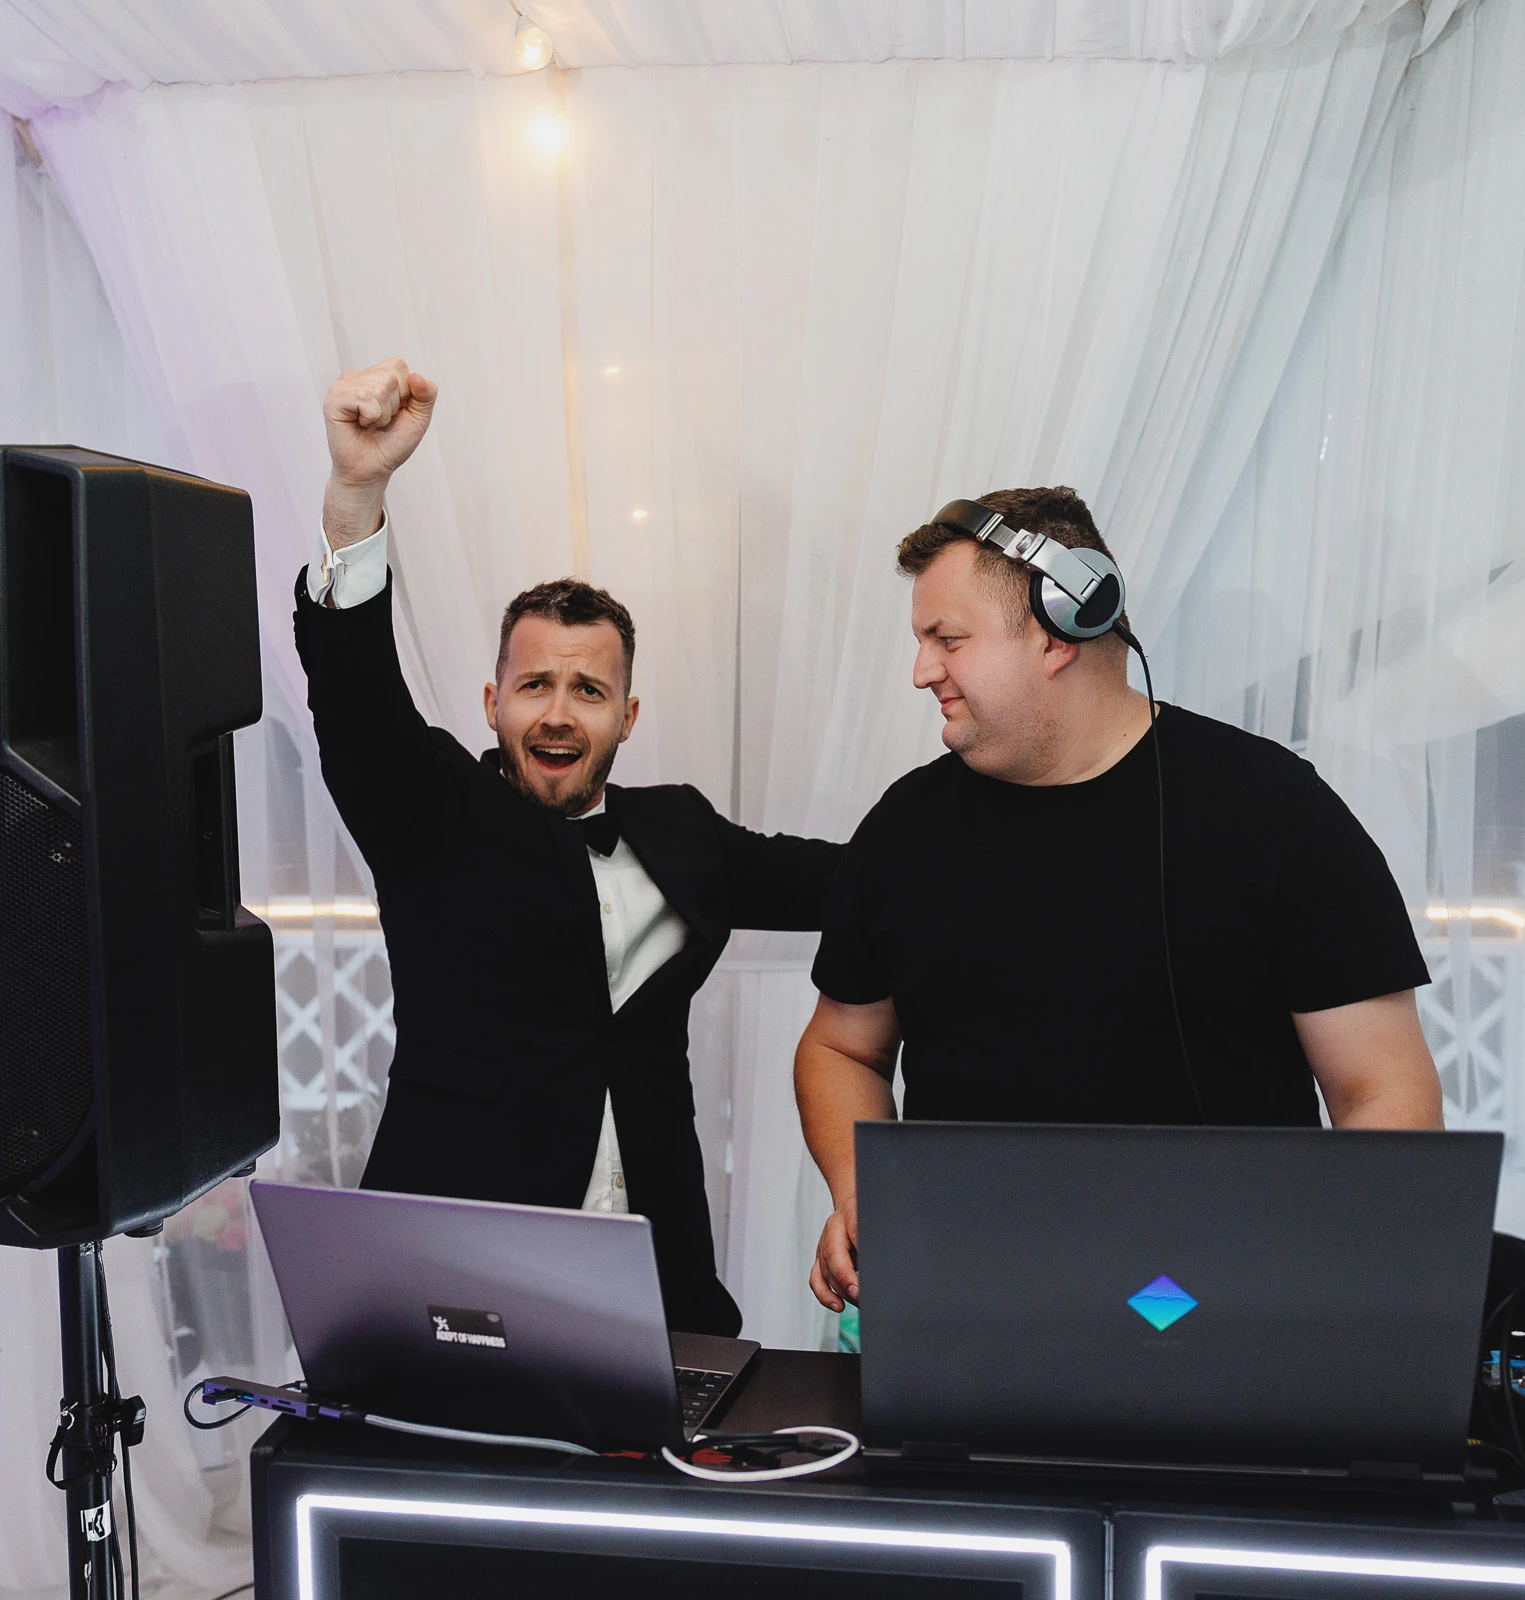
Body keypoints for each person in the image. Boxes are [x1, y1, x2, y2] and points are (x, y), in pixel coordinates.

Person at [294, 357, 842, 1336]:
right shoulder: (434, 811)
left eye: (588, 690)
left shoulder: (681, 830)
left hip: (659, 1291)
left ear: (627, 715)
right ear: (492, 703)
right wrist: (356, 494)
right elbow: (355, 694)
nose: (557, 712)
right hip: (457, 1284)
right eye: (534, 686)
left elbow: (856, 883)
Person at [797, 487, 1444, 1315]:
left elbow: (1384, 1093)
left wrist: (1329, 1297)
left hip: (1216, 1314)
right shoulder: (905, 826)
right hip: (964, 1306)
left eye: (948, 640)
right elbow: (840, 1047)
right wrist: (863, 1190)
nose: (922, 671)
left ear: (1059, 629)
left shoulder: (1277, 813)